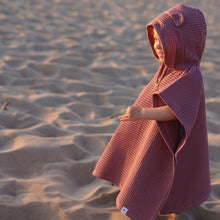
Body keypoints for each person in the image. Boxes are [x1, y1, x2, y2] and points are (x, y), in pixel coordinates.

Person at [92, 4, 212, 220]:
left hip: (168, 137)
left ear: (184, 42)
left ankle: (152, 205)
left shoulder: (189, 75)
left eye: (163, 41)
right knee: (143, 164)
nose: (157, 45)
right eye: (155, 40)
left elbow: (177, 111)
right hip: (155, 132)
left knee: (159, 172)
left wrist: (143, 113)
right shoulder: (169, 67)